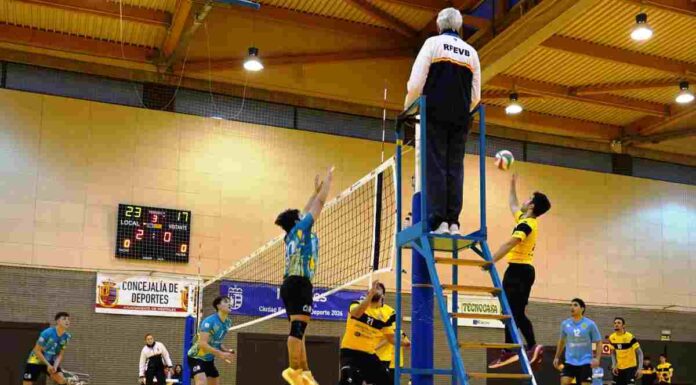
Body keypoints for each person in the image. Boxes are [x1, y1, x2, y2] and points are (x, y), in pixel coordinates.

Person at [404, 7, 481, 235]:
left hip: (435, 113)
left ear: (439, 26)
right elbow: (476, 95)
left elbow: (416, 83)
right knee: (454, 168)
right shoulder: (472, 52)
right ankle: (454, 222)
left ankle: (439, 222)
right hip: (460, 118)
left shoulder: (432, 44)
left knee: (436, 166)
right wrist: (461, 110)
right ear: (458, 27)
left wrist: (408, 106)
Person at [275, 166, 334, 385]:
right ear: (298, 220)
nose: (304, 214)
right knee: (297, 329)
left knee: (300, 330)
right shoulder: (301, 230)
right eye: (301, 216)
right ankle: (293, 370)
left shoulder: (293, 233)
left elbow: (308, 206)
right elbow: (318, 205)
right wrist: (327, 183)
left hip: (291, 283)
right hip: (299, 283)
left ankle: (305, 371)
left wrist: (315, 191)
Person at [488, 173, 550, 368]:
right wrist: (512, 184)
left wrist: (490, 261)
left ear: (532, 205)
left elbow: (509, 243)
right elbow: (513, 205)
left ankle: (532, 345)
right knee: (509, 312)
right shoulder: (524, 218)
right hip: (517, 271)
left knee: (515, 312)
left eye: (529, 198)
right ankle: (508, 351)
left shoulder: (527, 224)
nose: (524, 200)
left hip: (520, 272)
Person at [338, 280, 394, 385]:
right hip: (350, 353)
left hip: (368, 355)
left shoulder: (384, 316)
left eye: (379, 289)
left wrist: (409, 343)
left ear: (383, 296)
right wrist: (370, 296)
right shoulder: (356, 304)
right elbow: (356, 313)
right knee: (348, 381)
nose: (376, 290)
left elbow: (391, 338)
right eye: (374, 289)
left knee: (387, 381)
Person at [552, 298, 603, 385]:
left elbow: (599, 342)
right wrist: (556, 357)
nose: (572, 307)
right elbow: (561, 341)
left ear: (582, 308)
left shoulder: (590, 324)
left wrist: (597, 359)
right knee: (564, 382)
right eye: (571, 305)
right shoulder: (565, 324)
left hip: (585, 362)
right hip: (570, 361)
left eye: (575, 305)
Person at [187, 296, 235, 385]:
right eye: (226, 301)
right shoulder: (209, 321)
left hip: (209, 359)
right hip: (196, 357)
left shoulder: (228, 322)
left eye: (229, 301)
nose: (229, 303)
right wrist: (220, 354)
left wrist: (226, 350)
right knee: (201, 382)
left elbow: (217, 342)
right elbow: (202, 344)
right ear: (218, 306)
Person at [374, 284, 411, 383]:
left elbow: (391, 337)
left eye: (379, 292)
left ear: (383, 295)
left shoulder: (389, 312)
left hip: (387, 360)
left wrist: (407, 344)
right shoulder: (365, 308)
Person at [23, 312, 72, 385]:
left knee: (62, 380)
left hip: (50, 360)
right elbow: (37, 350)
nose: (67, 321)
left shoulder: (67, 337)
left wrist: (55, 366)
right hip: (36, 360)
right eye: (64, 319)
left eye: (68, 319)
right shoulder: (47, 332)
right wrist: (48, 365)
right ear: (58, 321)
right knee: (27, 383)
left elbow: (60, 354)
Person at [609, 317, 644, 385]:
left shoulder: (630, 337)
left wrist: (640, 369)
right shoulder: (611, 337)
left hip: (630, 367)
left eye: (619, 323)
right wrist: (614, 365)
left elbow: (640, 353)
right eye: (615, 323)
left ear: (623, 326)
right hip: (619, 368)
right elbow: (613, 353)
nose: (616, 324)